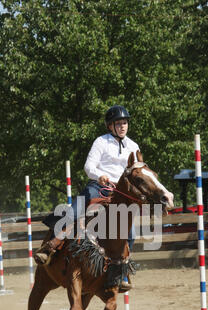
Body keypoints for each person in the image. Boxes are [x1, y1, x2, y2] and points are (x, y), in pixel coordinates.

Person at [35, 105, 139, 290]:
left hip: (119, 194)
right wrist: (99, 175)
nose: (123, 126)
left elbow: (136, 172)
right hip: (98, 187)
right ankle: (49, 248)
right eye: (119, 123)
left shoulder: (133, 146)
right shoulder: (101, 142)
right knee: (74, 213)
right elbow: (88, 166)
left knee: (130, 233)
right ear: (110, 126)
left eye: (125, 122)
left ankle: (120, 273)